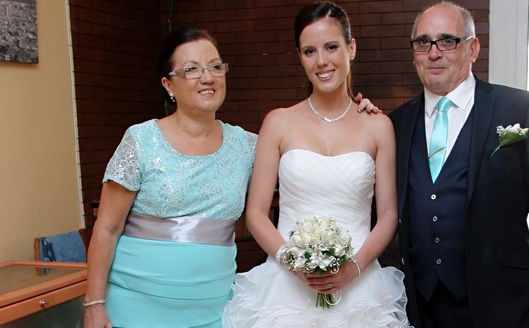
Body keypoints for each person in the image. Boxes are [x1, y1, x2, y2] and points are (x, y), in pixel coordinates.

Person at [83, 27, 378, 328]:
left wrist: (352, 114)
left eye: (215, 66)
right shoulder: (140, 140)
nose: (207, 77)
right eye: (191, 70)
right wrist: (94, 304)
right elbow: (107, 228)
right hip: (135, 308)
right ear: (168, 84)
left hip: (214, 312)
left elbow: (314, 167)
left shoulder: (248, 146)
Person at [222, 1, 410, 327]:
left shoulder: (378, 126)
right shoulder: (278, 122)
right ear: (300, 57)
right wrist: (294, 262)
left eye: (332, 47)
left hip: (360, 286)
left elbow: (389, 215)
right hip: (285, 286)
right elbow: (255, 213)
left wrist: (354, 267)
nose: (322, 61)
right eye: (309, 51)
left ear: (351, 48)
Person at [387, 1, 529, 328]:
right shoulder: (395, 124)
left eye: (447, 41)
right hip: (420, 306)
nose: (433, 53)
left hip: (503, 305)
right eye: (422, 43)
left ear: (473, 48)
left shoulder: (520, 110)